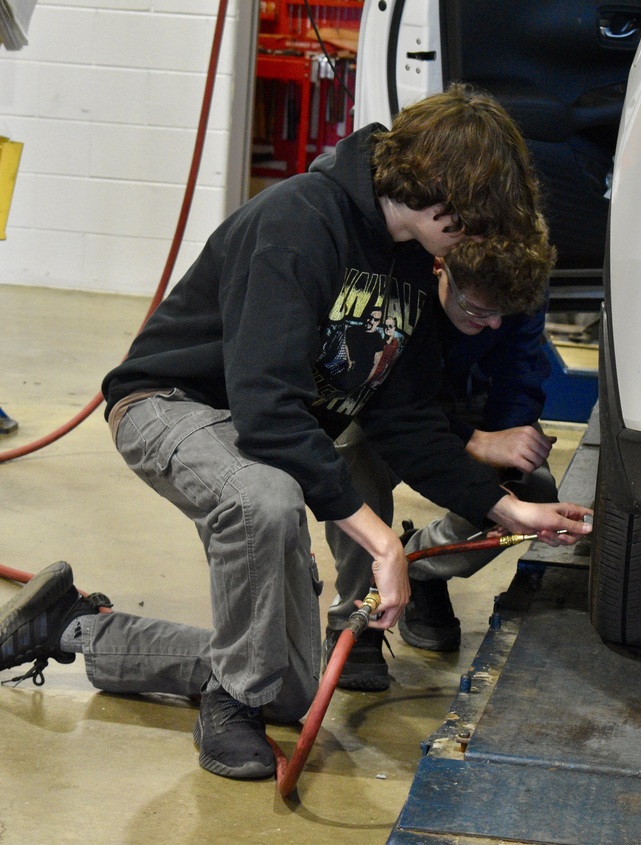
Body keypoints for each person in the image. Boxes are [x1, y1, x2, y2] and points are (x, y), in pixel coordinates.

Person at [0, 84, 592, 782]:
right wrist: (381, 544)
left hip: (251, 429)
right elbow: (268, 410)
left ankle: (73, 627)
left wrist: (510, 509)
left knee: (288, 684)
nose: (478, 240)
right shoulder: (300, 221)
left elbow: (405, 421)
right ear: (439, 195)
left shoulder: (406, 264)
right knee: (266, 497)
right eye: (475, 221)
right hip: (169, 403)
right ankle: (229, 702)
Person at [325, 231, 558, 691]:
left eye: (503, 314)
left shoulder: (519, 283)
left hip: (461, 407)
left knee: (533, 490)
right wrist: (474, 441)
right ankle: (356, 616)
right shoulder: (394, 279)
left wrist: (506, 450)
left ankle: (421, 570)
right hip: (386, 407)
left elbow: (520, 373)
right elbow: (388, 407)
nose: (493, 324)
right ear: (439, 268)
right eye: (477, 310)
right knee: (350, 450)